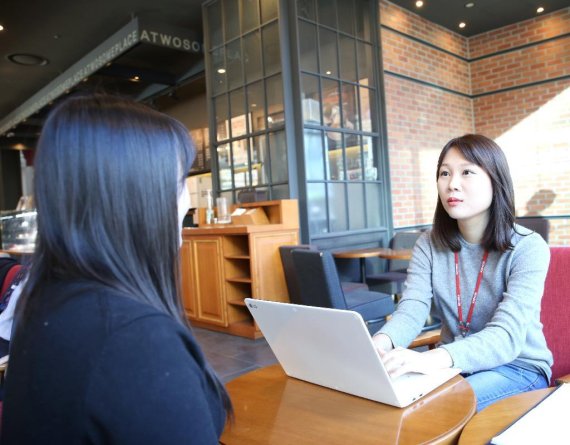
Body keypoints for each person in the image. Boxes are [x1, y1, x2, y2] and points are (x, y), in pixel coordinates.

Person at [1, 94, 231, 443]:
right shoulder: (134, 341)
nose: (187, 201)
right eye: (180, 182)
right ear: (137, 195)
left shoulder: (45, 301)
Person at [373, 134, 552, 412]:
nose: (452, 184)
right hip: (454, 367)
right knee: (386, 403)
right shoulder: (428, 244)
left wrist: (430, 360)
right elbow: (412, 309)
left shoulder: (528, 247)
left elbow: (506, 336)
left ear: (496, 181)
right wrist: (378, 345)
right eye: (444, 173)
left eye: (467, 172)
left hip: (517, 368)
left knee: (432, 412)